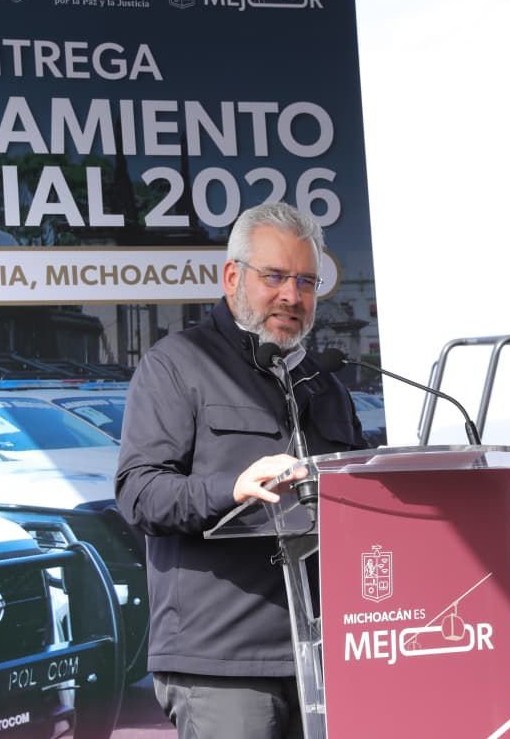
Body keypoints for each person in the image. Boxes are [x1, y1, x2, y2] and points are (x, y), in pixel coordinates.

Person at [115, 201, 367, 739]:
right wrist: (230, 489)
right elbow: (139, 493)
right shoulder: (177, 365)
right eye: (274, 276)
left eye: (306, 281)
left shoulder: (326, 384)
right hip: (222, 663)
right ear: (233, 277)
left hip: (327, 656)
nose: (292, 296)